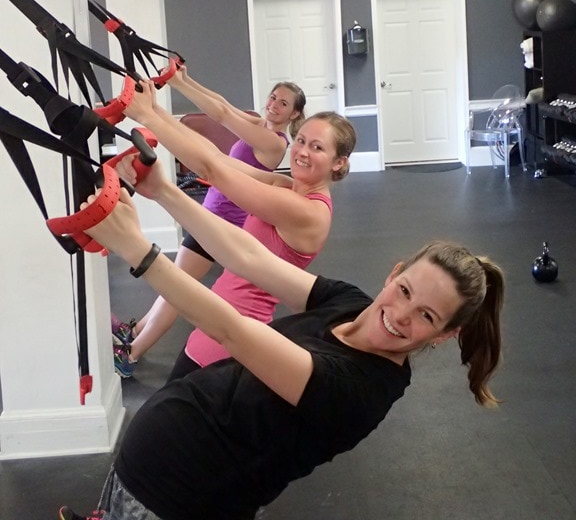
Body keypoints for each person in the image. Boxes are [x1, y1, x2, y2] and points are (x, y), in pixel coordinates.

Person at [59, 160, 504, 520]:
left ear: (445, 335)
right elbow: (249, 256)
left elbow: (232, 331)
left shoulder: (361, 391)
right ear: (395, 273)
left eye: (426, 316)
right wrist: (164, 191)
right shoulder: (350, 304)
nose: (401, 314)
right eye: (405, 290)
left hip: (177, 499)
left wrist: (137, 249)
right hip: (143, 472)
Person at [115, 79, 355, 379]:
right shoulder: (286, 185)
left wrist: (146, 117)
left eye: (317, 147)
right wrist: (155, 111)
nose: (302, 152)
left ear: (338, 162)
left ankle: (132, 351)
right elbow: (216, 157)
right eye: (302, 141)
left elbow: (212, 170)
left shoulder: (306, 211)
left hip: (233, 335)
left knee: (173, 405)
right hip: (220, 322)